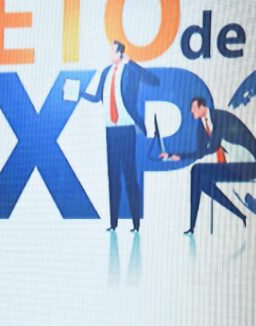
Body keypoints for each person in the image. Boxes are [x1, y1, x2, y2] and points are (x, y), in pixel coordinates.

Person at [81, 40, 159, 232]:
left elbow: (153, 80)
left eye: (112, 50)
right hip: (111, 129)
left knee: (130, 175)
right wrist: (79, 93)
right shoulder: (106, 72)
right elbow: (97, 97)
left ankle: (136, 224)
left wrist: (131, 62)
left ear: (120, 53)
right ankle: (113, 223)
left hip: (126, 127)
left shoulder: (130, 70)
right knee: (113, 176)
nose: (109, 53)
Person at [160, 97, 256, 234]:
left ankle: (240, 215)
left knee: (198, 172)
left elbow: (213, 147)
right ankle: (192, 227)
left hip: (251, 166)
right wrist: (175, 155)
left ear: (202, 107)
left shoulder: (220, 117)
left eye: (193, 108)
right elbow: (200, 152)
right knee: (199, 175)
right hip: (238, 166)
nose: (191, 111)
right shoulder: (202, 124)